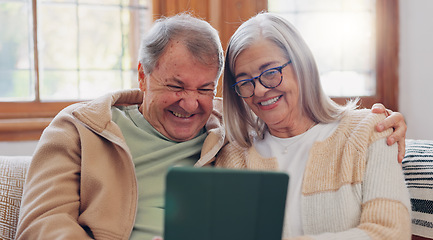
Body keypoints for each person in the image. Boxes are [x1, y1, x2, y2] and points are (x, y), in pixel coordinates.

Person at [16, 13, 406, 240]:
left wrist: (381, 125)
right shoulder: (80, 128)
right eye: (175, 85)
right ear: (143, 76)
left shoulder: (226, 138)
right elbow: (41, 225)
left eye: (205, 88)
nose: (190, 103)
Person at [217, 12, 411, 239]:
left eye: (270, 73)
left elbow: (391, 232)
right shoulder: (234, 158)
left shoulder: (371, 130)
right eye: (245, 82)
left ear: (302, 65)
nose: (259, 90)